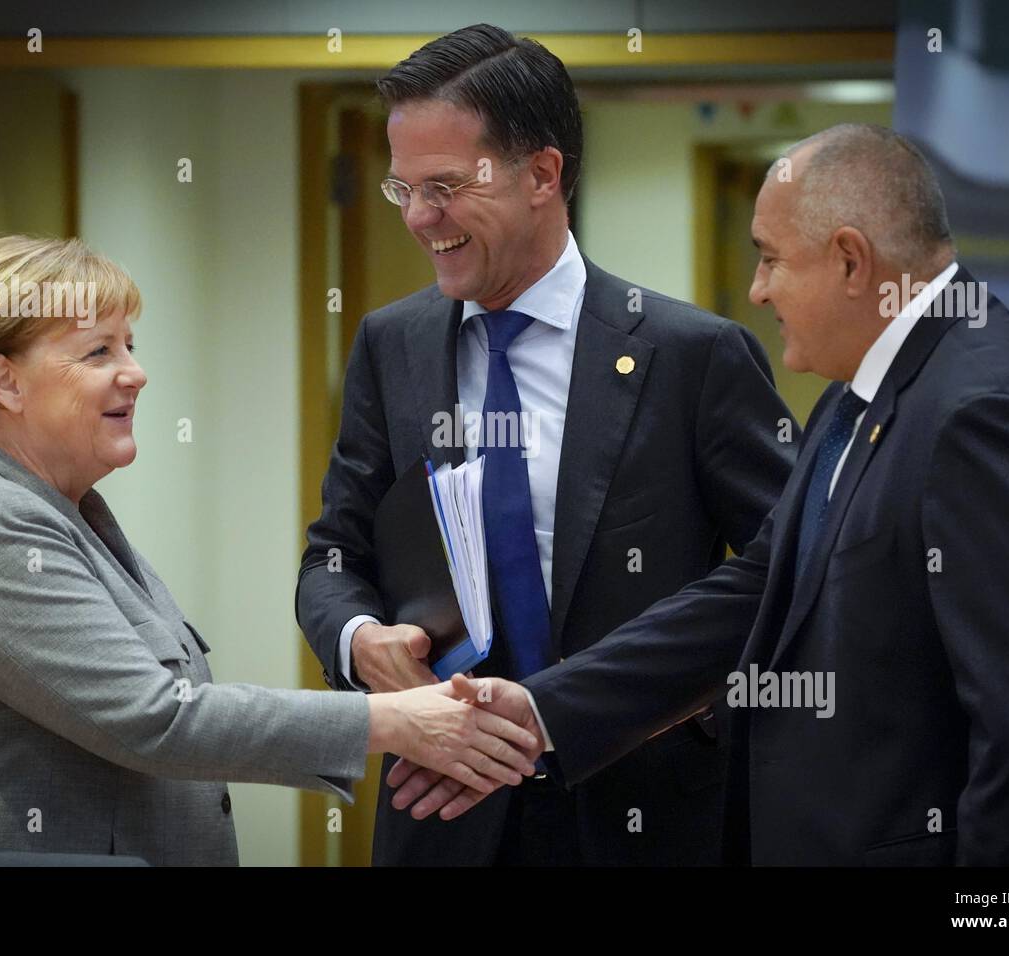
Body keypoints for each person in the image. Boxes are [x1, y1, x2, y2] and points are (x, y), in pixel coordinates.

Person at [390, 124, 1009, 865]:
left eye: (772, 260)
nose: (757, 288)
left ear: (850, 260)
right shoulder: (863, 396)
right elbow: (754, 589)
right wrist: (542, 709)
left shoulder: (988, 415)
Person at [0, 234, 537, 866]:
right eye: (98, 352)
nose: (136, 374)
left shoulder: (64, 509)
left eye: (129, 345)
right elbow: (155, 717)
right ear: (6, 382)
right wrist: (391, 720)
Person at [296, 23, 795, 866]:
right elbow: (334, 552)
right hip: (441, 813)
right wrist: (356, 641)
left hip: (639, 806)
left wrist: (558, 710)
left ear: (543, 175)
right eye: (403, 189)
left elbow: (782, 572)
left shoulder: (690, 355)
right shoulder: (393, 344)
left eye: (446, 187)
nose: (421, 218)